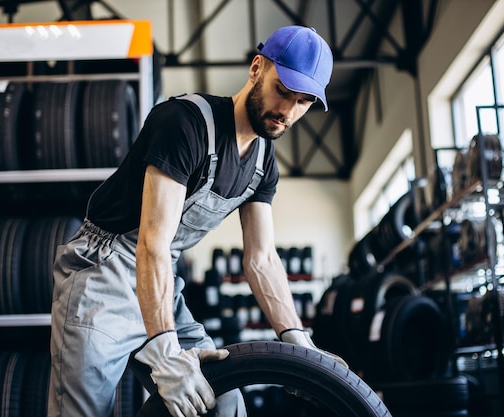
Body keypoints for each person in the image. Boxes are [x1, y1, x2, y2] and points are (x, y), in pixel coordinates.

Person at [48, 25, 346, 417]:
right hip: (104, 274)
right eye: (283, 91)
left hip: (161, 282)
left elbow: (261, 260)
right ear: (257, 68)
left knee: (223, 397)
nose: (287, 112)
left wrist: (298, 343)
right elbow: (152, 240)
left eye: (303, 102)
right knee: (85, 410)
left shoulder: (262, 163)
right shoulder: (184, 123)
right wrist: (166, 350)